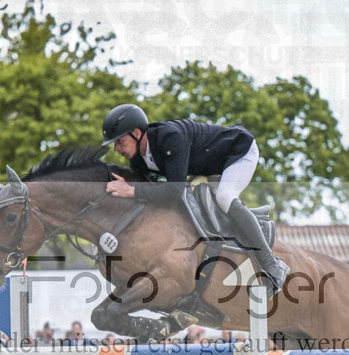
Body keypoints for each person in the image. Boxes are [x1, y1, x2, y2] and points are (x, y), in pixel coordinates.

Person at [101, 103, 290, 296]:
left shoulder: (169, 137)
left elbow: (174, 191)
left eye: (119, 142)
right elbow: (153, 195)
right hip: (211, 166)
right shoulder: (138, 159)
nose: (116, 149)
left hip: (238, 152)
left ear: (136, 133)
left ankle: (272, 265)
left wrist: (132, 191)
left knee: (225, 197)